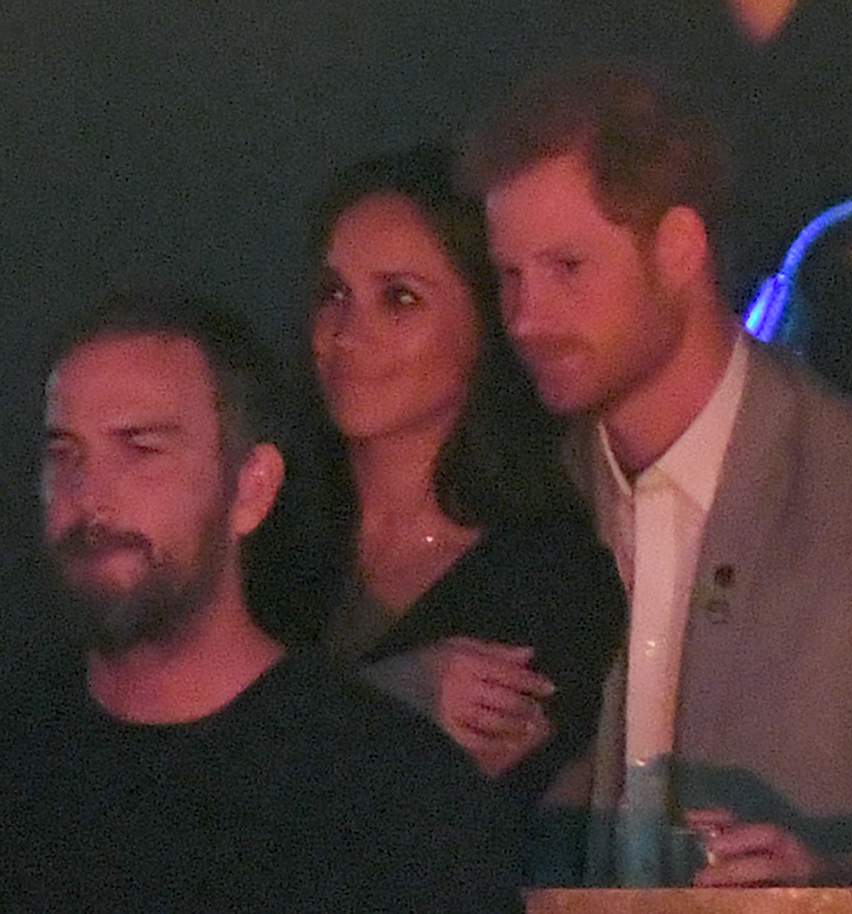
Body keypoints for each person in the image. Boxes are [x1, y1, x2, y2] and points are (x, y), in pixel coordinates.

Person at [461, 62, 852, 887]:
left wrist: (845, 878)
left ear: (679, 250)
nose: (527, 319)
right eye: (510, 277)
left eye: (567, 268)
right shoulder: (529, 496)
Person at [0, 291, 521, 913]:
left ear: (251, 489)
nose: (90, 496)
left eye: (141, 450)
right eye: (64, 454)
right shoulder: (22, 762)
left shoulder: (388, 794)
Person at [306, 145, 625, 869]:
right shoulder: (257, 534)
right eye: (332, 293)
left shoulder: (549, 580)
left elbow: (398, 819)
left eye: (400, 298)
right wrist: (395, 694)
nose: (348, 332)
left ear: (486, 324)